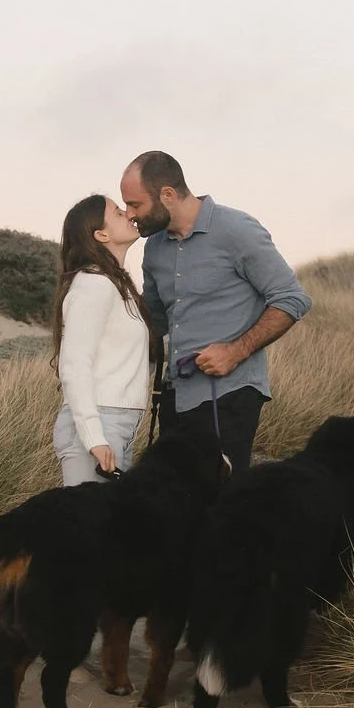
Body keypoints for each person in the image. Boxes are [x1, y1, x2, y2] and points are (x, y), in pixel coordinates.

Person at [121, 151, 310, 472]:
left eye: (135, 204)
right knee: (175, 506)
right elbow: (151, 323)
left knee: (220, 507)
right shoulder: (154, 247)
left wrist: (236, 351)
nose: (129, 214)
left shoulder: (237, 229)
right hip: (174, 397)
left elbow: (292, 298)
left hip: (230, 395)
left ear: (167, 194)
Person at [50, 193, 154, 486]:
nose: (129, 214)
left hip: (117, 424)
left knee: (102, 529)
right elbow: (74, 364)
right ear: (101, 234)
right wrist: (94, 437)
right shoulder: (94, 284)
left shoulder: (118, 286)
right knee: (87, 528)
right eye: (118, 212)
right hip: (98, 423)